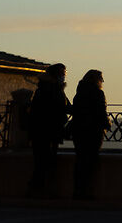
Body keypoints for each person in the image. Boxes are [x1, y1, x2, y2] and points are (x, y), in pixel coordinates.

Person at [25, 63, 70, 197]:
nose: (64, 76)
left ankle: (38, 189)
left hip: (43, 131)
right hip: (47, 131)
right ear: (56, 75)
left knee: (42, 162)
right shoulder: (52, 89)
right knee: (44, 162)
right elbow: (58, 107)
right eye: (63, 74)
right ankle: (38, 190)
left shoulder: (46, 87)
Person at [70, 68, 110, 200]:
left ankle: (78, 190)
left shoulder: (79, 94)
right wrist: (107, 124)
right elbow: (101, 112)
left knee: (80, 161)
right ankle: (87, 192)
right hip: (93, 131)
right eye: (101, 79)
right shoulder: (98, 93)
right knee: (90, 162)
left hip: (78, 131)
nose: (102, 81)